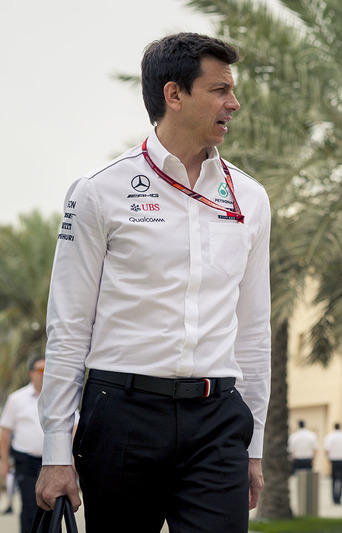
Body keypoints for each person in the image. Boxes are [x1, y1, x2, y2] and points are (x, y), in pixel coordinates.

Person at [35, 32, 272, 533]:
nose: (235, 103)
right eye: (220, 89)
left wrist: (253, 446)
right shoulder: (99, 192)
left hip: (217, 420)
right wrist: (56, 451)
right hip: (120, 416)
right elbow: (69, 324)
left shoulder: (250, 198)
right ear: (174, 94)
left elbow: (253, 329)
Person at [1, 355, 46, 532]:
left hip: (51, 461)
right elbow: (5, 432)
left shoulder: (60, 397)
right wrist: (5, 463)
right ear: (31, 373)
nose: (44, 374)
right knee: (30, 504)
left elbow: (73, 428)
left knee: (52, 506)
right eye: (41, 370)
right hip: (25, 462)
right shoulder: (16, 399)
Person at [323, 423, 342, 504]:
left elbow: (327, 449)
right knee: (341, 480)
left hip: (333, 460)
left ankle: (334, 498)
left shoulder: (329, 437)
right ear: (340, 427)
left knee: (333, 480)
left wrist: (328, 458)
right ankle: (339, 499)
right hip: (341, 460)